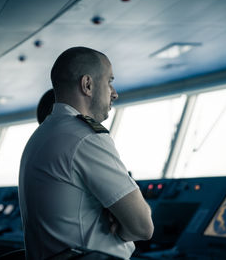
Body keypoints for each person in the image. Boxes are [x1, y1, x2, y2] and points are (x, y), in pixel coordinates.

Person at [18, 47, 154, 259]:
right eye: (109, 81)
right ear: (87, 85)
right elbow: (142, 227)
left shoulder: (42, 135)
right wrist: (120, 222)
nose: (114, 93)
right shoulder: (86, 137)